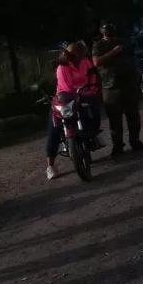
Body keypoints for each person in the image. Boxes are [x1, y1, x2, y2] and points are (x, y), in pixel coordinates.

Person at [45, 41, 100, 180]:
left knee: (94, 113)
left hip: (83, 94)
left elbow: (91, 75)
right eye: (81, 54)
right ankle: (50, 166)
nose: (83, 57)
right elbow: (67, 86)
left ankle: (91, 138)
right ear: (75, 54)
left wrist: (92, 89)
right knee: (54, 130)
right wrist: (78, 93)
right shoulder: (62, 67)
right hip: (66, 98)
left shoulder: (85, 61)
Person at [92, 23, 143, 158]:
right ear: (101, 31)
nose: (108, 30)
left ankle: (135, 141)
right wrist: (113, 52)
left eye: (110, 28)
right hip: (110, 86)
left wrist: (136, 76)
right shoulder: (98, 45)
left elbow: (133, 58)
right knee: (114, 120)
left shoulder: (123, 42)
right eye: (105, 28)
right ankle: (118, 146)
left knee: (133, 115)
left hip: (127, 83)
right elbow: (97, 62)